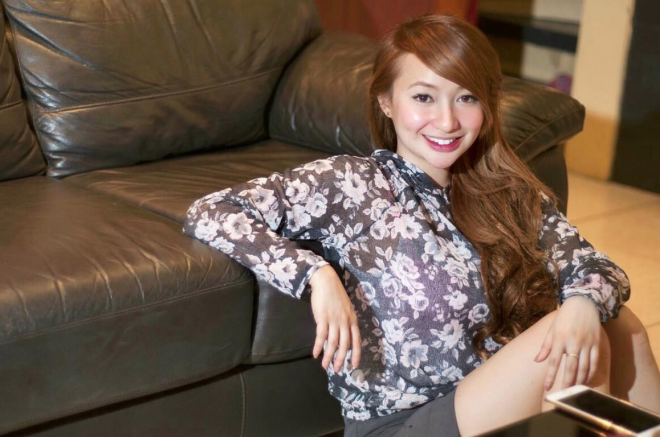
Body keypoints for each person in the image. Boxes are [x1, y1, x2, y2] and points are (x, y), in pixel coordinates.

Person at [183, 14, 660, 437]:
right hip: (400, 424)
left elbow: (597, 268)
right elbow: (214, 210)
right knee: (572, 335)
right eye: (424, 97)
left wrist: (583, 303)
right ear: (387, 102)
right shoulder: (352, 184)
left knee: (613, 319)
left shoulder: (510, 192)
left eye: (466, 98)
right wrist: (316, 275)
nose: (447, 121)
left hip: (494, 403)